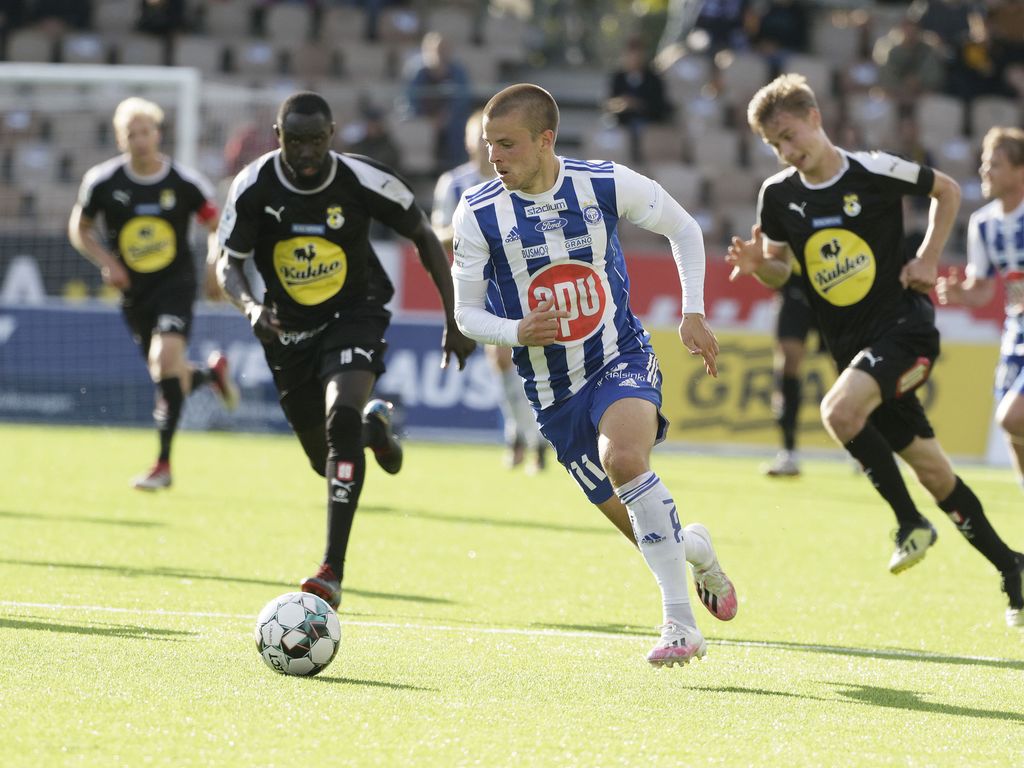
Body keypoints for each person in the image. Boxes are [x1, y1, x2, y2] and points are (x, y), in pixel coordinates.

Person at [451, 83, 738, 667]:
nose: (494, 157)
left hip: (619, 357)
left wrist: (692, 312)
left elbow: (685, 229)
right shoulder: (477, 212)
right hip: (553, 395)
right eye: (489, 145)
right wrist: (515, 332)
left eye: (507, 144)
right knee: (648, 531)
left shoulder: (602, 183)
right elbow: (465, 313)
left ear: (545, 140)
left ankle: (680, 627)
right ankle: (697, 549)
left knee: (626, 459)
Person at [725, 73, 1024, 627]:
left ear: (816, 118)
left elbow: (948, 190)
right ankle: (1014, 569)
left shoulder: (874, 170)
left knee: (838, 411)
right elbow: (780, 268)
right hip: (854, 351)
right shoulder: (778, 195)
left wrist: (930, 257)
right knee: (936, 473)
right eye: (775, 145)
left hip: (906, 332)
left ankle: (910, 523)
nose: (787, 151)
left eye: (791, 135)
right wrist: (757, 266)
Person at [216, 91, 476, 610]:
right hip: (287, 329)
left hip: (355, 312)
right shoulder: (254, 187)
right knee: (327, 458)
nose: (308, 152)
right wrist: (249, 308)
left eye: (317, 140)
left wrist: (455, 317)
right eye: (296, 141)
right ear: (278, 135)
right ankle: (373, 431)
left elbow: (424, 236)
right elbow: (228, 264)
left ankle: (331, 570)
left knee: (340, 420)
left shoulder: (362, 179)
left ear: (331, 136)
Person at [68, 96, 238, 491]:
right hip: (135, 291)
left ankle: (163, 465)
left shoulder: (184, 182)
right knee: (167, 375)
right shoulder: (103, 181)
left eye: (146, 132)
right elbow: (80, 227)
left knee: (164, 362)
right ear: (120, 139)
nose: (140, 139)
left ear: (157, 134)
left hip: (175, 284)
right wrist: (106, 262)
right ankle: (212, 375)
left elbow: (216, 226)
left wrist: (214, 265)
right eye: (132, 133)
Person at [432, 109, 546, 473]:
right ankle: (525, 437)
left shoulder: (519, 180)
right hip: (480, 281)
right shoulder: (453, 184)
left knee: (525, 359)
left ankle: (529, 437)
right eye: (481, 142)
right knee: (500, 360)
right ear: (470, 143)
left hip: (522, 277)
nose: (486, 150)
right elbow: (437, 234)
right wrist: (469, 230)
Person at [937, 127, 1024, 493]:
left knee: (1012, 417)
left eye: (996, 164)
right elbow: (984, 289)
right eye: (985, 163)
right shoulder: (983, 224)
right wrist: (962, 294)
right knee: (1013, 428)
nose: (985, 172)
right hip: (1016, 331)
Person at [763, 268, 820, 477]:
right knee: (788, 363)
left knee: (846, 367)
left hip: (832, 288)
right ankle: (788, 452)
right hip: (793, 290)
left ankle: (860, 448)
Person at [605, 35, 673, 163]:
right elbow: (611, 103)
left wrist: (638, 104)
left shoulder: (653, 79)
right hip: (623, 121)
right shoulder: (618, 78)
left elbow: (659, 106)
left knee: (639, 131)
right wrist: (622, 104)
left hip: (647, 122)